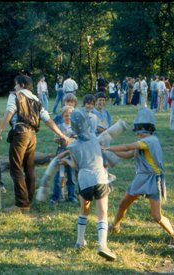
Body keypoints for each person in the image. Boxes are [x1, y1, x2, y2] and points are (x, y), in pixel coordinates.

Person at [0, 74, 71, 214]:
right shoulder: (36, 99)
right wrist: (62, 134)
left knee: (15, 167)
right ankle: (28, 199)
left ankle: (21, 204)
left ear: (21, 85)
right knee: (29, 168)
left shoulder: (16, 95)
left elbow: (9, 112)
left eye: (16, 84)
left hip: (21, 134)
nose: (14, 87)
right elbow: (47, 120)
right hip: (32, 136)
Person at [106, 108, 174, 247]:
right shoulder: (143, 142)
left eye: (139, 131)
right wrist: (107, 152)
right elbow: (128, 154)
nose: (137, 134)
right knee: (123, 203)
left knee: (156, 216)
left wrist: (108, 148)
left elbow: (126, 147)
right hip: (141, 179)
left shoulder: (149, 141)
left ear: (142, 131)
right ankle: (115, 226)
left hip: (153, 180)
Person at [57, 108, 117, 261]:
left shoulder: (72, 146)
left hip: (84, 181)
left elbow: (75, 165)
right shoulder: (93, 137)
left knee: (84, 211)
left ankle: (79, 241)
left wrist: (65, 158)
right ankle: (102, 245)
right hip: (100, 178)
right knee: (102, 212)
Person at [50, 105, 78, 204]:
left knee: (71, 176)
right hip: (61, 153)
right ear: (62, 116)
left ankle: (72, 196)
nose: (68, 117)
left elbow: (78, 138)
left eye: (70, 115)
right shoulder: (60, 127)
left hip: (71, 154)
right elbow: (55, 139)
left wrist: (73, 138)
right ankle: (56, 196)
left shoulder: (75, 127)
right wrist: (58, 140)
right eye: (66, 115)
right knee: (60, 175)